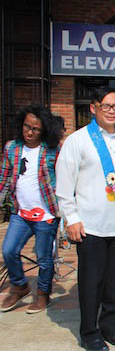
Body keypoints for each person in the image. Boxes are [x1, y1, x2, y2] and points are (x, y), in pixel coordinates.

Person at [55, 88, 115, 351]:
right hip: (90, 225)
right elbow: (64, 182)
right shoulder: (78, 140)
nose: (111, 110)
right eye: (106, 105)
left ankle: (112, 327)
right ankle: (90, 332)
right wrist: (70, 218)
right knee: (92, 282)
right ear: (93, 108)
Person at [0, 106, 61, 314]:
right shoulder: (12, 148)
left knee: (44, 257)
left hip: (46, 213)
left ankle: (43, 294)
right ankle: (19, 285)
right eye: (27, 126)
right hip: (21, 212)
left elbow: (64, 178)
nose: (30, 132)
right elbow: (4, 177)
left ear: (44, 130)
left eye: (36, 128)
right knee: (9, 250)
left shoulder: (52, 150)